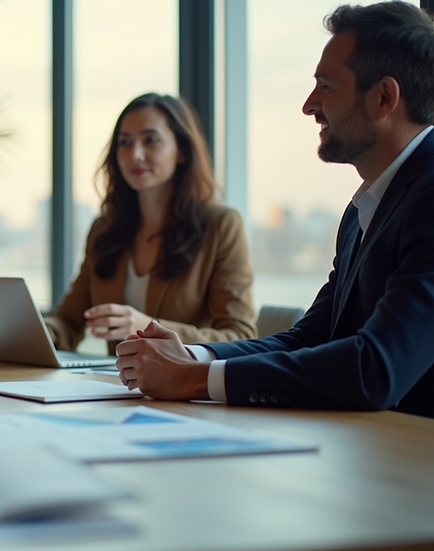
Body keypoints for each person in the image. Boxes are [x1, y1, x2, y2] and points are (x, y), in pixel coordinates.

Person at [115, 1, 434, 419]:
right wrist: (192, 355)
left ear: (384, 97)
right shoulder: (364, 211)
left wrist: (193, 379)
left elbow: (375, 369)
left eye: (326, 86)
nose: (308, 104)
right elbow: (311, 338)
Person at [45, 93, 256, 354]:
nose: (135, 154)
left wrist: (149, 327)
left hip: (183, 389)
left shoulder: (222, 226)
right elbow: (69, 319)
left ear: (182, 152)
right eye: (125, 142)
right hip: (115, 387)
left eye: (151, 140)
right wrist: (42, 330)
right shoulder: (105, 229)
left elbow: (240, 337)